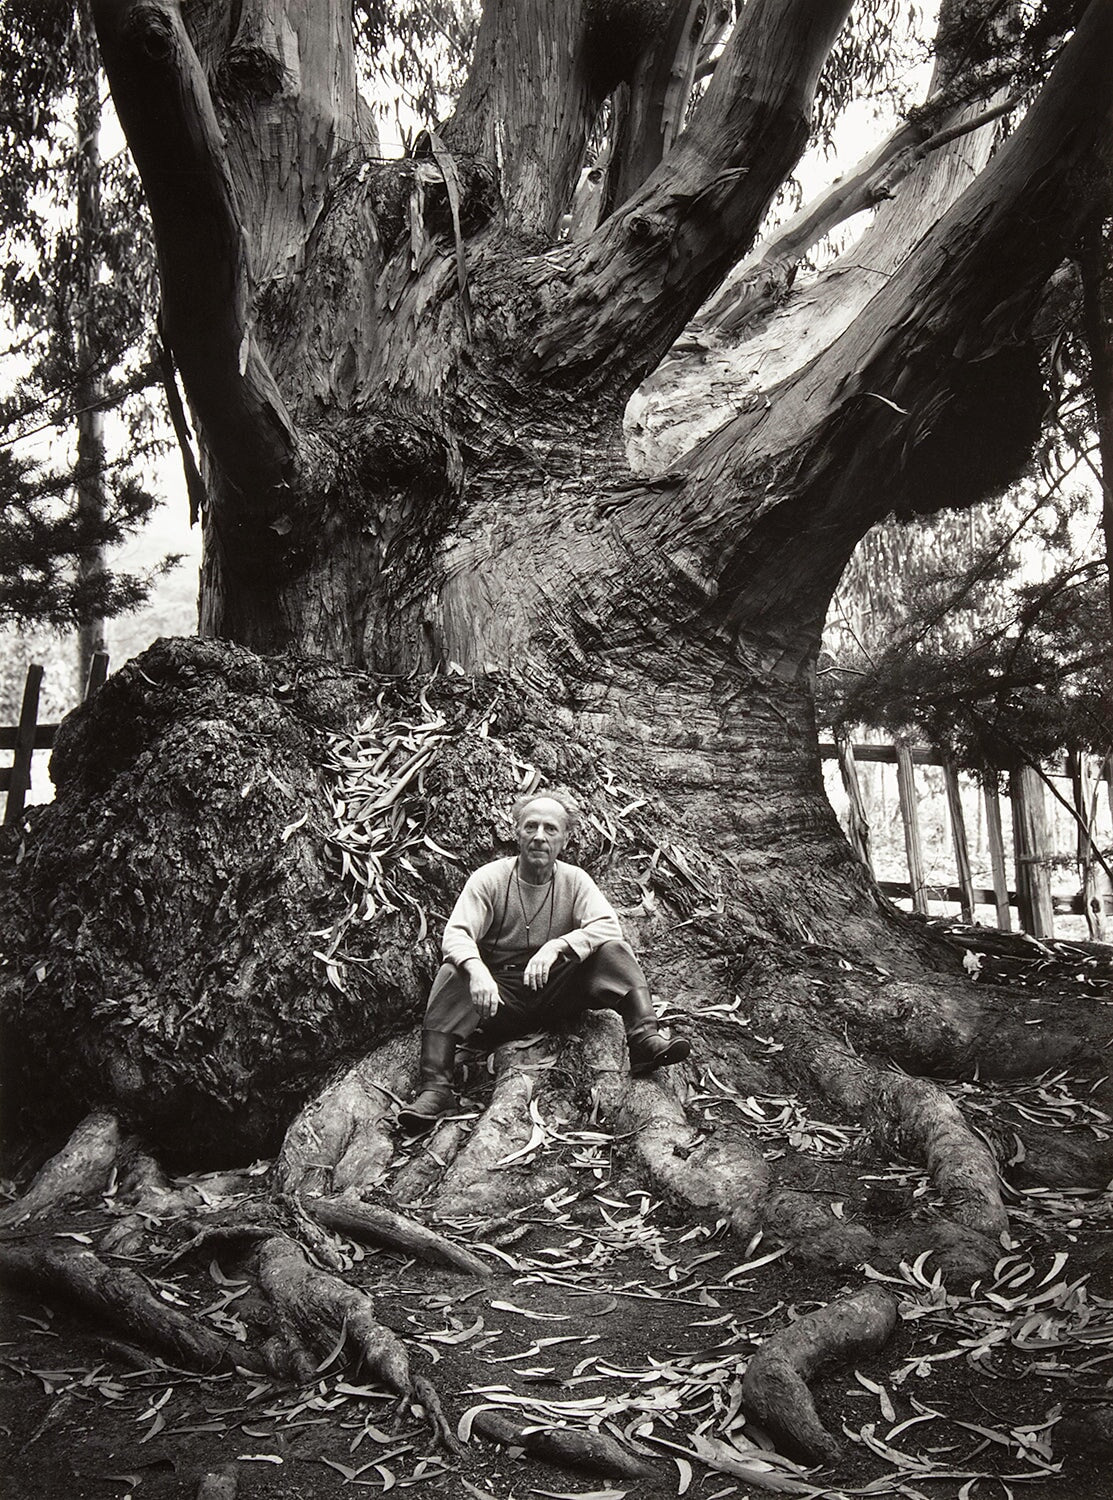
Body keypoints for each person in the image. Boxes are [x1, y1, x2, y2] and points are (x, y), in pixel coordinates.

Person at [398, 790, 690, 1133]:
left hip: (556, 995)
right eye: (531, 826)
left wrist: (557, 947)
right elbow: (456, 935)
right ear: (516, 832)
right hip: (499, 1002)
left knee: (613, 950)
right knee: (453, 971)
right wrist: (477, 973)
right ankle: (436, 1088)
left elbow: (608, 925)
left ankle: (644, 1040)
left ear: (564, 838)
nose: (539, 836)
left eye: (550, 829)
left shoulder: (575, 880)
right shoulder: (489, 879)